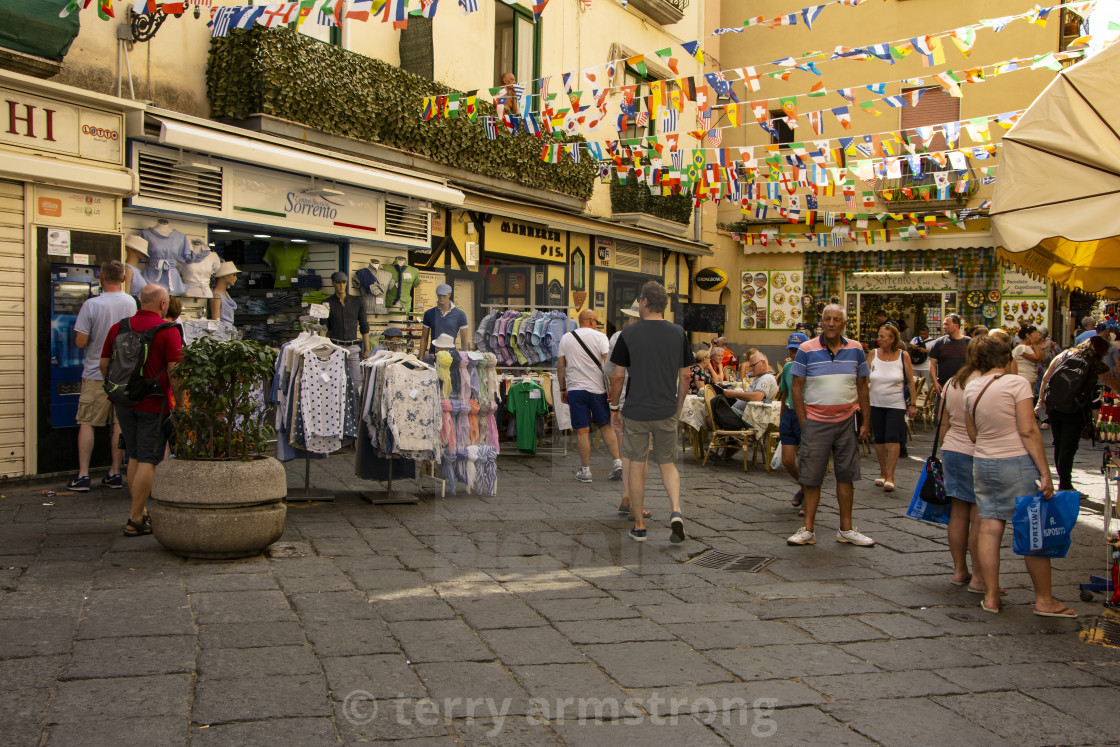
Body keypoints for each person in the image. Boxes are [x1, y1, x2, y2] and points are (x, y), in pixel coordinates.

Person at [964, 335, 1074, 618]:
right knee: (1033, 526)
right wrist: (1045, 472)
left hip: (983, 461)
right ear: (1006, 358)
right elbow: (1028, 430)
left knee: (989, 527)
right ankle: (1044, 600)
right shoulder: (1018, 384)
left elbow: (973, 433)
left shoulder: (971, 387)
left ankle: (990, 596)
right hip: (1016, 461)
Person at [608, 281, 691, 544]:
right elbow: (686, 376)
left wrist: (614, 408)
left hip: (636, 410)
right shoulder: (678, 333)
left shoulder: (628, 334)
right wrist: (678, 406)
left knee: (636, 463)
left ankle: (640, 525)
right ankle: (676, 510)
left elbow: (618, 377)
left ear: (644, 302)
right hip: (666, 408)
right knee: (668, 463)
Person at [788, 304, 875, 547]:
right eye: (827, 319)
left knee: (846, 476)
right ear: (821, 322)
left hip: (847, 420)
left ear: (844, 324)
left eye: (836, 319)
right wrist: (804, 422)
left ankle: (846, 529)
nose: (831, 323)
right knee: (811, 477)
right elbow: (797, 387)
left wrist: (866, 421)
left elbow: (862, 386)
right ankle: (808, 529)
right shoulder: (806, 349)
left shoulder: (856, 349)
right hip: (815, 421)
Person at [100, 285, 182, 536]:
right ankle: (135, 518)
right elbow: (174, 372)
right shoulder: (169, 331)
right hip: (153, 403)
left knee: (134, 455)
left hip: (123, 402)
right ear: (163, 304)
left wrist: (118, 390)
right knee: (149, 458)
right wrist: (177, 402)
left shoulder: (119, 327)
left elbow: (104, 364)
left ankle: (141, 512)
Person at [67, 260, 137, 492]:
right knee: (119, 424)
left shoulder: (90, 305)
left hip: (95, 372)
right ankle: (115, 473)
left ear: (101, 277)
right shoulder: (132, 303)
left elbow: (81, 341)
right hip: (124, 374)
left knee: (87, 422)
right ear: (123, 279)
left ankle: (83, 475)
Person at [1038, 336, 1114, 491]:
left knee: (1059, 444)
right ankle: (1065, 485)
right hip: (1075, 409)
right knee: (1069, 446)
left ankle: (1063, 482)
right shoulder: (1096, 364)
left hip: (1055, 405)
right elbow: (1115, 386)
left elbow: (1046, 378)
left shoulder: (1064, 355)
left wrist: (1041, 401)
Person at [558, 309, 623, 483]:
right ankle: (617, 462)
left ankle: (586, 471)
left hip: (576, 389)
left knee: (582, 430)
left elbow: (561, 367)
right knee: (605, 426)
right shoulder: (600, 337)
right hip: (598, 390)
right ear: (592, 321)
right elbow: (608, 364)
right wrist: (611, 387)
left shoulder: (566, 338)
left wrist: (562, 389)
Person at [938, 338, 983, 591]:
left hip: (952, 449)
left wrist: (945, 448)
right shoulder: (984, 382)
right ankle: (979, 576)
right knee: (979, 517)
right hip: (976, 451)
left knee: (958, 513)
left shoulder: (952, 382)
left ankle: (959, 570)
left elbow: (943, 422)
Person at [605, 299, 648, 519]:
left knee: (626, 453)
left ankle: (626, 496)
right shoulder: (652, 337)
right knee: (642, 455)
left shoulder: (617, 337)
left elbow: (610, 371)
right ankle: (636, 506)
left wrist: (613, 400)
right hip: (645, 400)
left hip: (622, 399)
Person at [867, 324, 917, 491]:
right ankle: (882, 471)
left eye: (882, 337)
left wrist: (913, 404)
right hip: (875, 402)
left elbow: (910, 381)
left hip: (896, 403)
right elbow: (864, 378)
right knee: (879, 438)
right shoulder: (873, 354)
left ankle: (891, 474)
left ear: (892, 339)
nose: (878, 339)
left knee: (892, 437)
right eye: (879, 336)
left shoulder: (903, 356)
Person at [778, 333, 809, 515]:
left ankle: (808, 498)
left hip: (806, 413)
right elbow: (784, 394)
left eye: (798, 350)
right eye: (792, 350)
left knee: (806, 459)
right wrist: (782, 418)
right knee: (788, 460)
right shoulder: (788, 368)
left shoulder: (812, 368)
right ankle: (804, 487)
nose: (795, 353)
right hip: (789, 414)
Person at [326, 271, 370, 387]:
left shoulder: (357, 302)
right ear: (333, 283)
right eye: (338, 283)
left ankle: (355, 404)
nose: (341, 285)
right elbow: (324, 328)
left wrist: (367, 349)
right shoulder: (327, 303)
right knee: (334, 382)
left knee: (356, 382)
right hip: (335, 346)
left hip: (353, 347)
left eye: (344, 282)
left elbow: (364, 326)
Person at [420, 283, 470, 356]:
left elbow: (464, 339)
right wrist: (421, 357)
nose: (441, 298)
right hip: (433, 355)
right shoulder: (429, 313)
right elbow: (424, 338)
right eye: (439, 295)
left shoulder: (460, 314)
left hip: (451, 356)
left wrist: (466, 359)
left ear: (449, 295)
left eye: (444, 295)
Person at [928, 314, 970, 396]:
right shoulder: (939, 342)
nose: (944, 327)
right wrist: (935, 382)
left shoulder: (968, 342)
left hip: (963, 386)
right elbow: (932, 364)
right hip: (943, 386)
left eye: (947, 324)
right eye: (944, 324)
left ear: (956, 326)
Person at [1012, 325, 1044, 393]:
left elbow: (1043, 358)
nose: (1037, 335)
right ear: (1028, 335)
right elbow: (1037, 358)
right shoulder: (1022, 348)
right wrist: (1035, 344)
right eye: (1035, 333)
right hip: (1024, 377)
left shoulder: (1029, 347)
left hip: (1031, 378)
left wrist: (1035, 345)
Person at [208, 261, 239, 325]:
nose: (235, 278)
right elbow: (216, 322)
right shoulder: (216, 296)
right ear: (225, 276)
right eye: (233, 275)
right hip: (223, 331)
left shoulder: (225, 294)